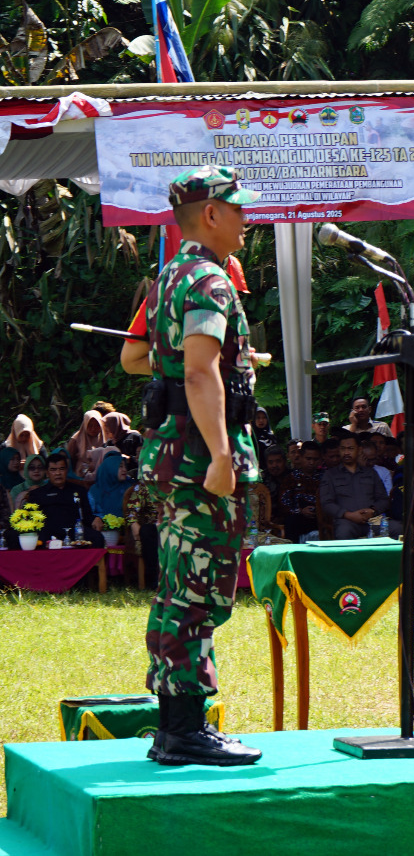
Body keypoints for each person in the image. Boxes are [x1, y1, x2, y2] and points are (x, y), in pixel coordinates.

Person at [118, 164, 263, 766]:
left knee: (179, 587)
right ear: (210, 214)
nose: (248, 219)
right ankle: (185, 733)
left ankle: (174, 726)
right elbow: (199, 373)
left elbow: (155, 360)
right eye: (238, 208)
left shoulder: (169, 277)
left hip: (172, 453)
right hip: (200, 458)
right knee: (197, 593)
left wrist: (238, 362)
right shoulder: (209, 281)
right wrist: (224, 455)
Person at [320, 435, 391, 540]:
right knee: (344, 532)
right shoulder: (330, 475)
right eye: (343, 449)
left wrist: (372, 511)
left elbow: (384, 499)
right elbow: (326, 503)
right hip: (346, 521)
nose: (346, 452)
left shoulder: (370, 473)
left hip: (373, 520)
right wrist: (347, 515)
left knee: (398, 528)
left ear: (359, 450)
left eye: (351, 449)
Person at [27, 452, 102, 545]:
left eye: (61, 469)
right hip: (47, 534)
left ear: (67, 470)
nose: (58, 473)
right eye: (53, 470)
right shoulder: (37, 494)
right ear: (47, 473)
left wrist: (95, 518)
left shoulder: (79, 490)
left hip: (75, 532)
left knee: (97, 538)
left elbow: (87, 516)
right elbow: (29, 519)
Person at [263, 447, 318, 542]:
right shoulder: (262, 480)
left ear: (285, 461)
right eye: (271, 462)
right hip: (272, 519)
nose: (274, 465)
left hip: (296, 516)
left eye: (278, 461)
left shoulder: (293, 477)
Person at [88, 450, 137, 528]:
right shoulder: (95, 491)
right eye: (120, 466)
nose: (125, 469)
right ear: (110, 468)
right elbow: (88, 515)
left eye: (125, 466)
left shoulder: (131, 487)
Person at [67, 410, 108, 479]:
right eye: (90, 425)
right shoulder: (76, 440)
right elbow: (69, 461)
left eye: (97, 425)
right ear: (85, 424)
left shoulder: (106, 437)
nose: (93, 429)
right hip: (81, 478)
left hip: (103, 476)